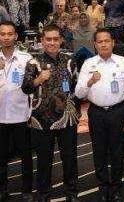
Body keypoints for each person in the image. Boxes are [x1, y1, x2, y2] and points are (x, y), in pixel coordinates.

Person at [21, 25, 81, 202]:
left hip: (67, 120)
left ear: (61, 40)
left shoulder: (70, 60)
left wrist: (76, 112)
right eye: (48, 39)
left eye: (56, 39)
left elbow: (76, 88)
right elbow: (25, 88)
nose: (52, 42)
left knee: (70, 158)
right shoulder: (33, 62)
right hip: (41, 120)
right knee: (44, 161)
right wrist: (39, 79)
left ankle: (71, 193)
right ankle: (43, 195)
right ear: (42, 40)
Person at [75, 29, 124, 202]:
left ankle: (116, 188)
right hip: (97, 113)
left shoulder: (123, 62)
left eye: (106, 41)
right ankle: (102, 187)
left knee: (117, 152)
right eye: (99, 41)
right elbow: (79, 93)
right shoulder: (88, 64)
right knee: (99, 152)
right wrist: (90, 81)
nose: (103, 44)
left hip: (118, 111)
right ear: (95, 44)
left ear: (113, 42)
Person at [0, 21, 33, 202]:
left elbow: (33, 85)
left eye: (10, 34)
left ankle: (26, 191)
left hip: (21, 115)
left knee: (25, 156)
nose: (6, 37)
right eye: (3, 34)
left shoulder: (26, 59)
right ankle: (2, 191)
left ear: (16, 36)